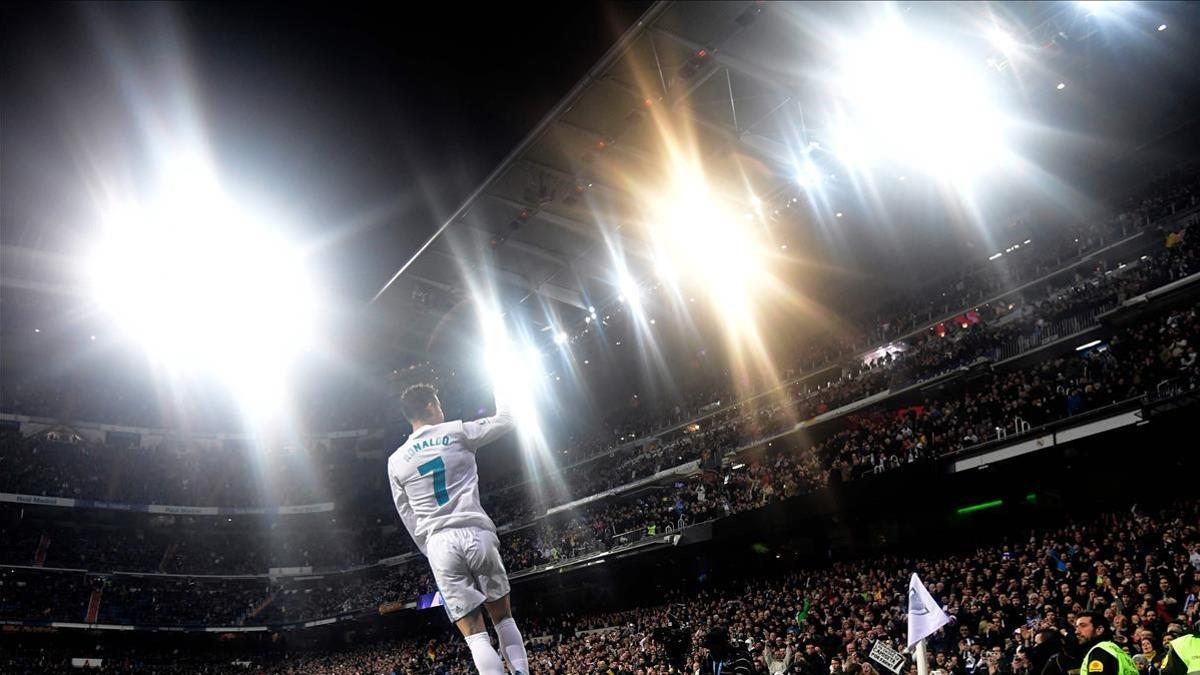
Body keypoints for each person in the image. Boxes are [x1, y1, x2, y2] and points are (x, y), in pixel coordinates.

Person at [388, 383, 527, 675]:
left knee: (476, 637)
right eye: (438, 403)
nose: (442, 409)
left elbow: (407, 514)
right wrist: (500, 382)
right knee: (503, 620)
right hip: (475, 532)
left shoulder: (396, 460)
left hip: (439, 543)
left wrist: (430, 549)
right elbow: (507, 419)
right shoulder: (456, 431)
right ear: (429, 406)